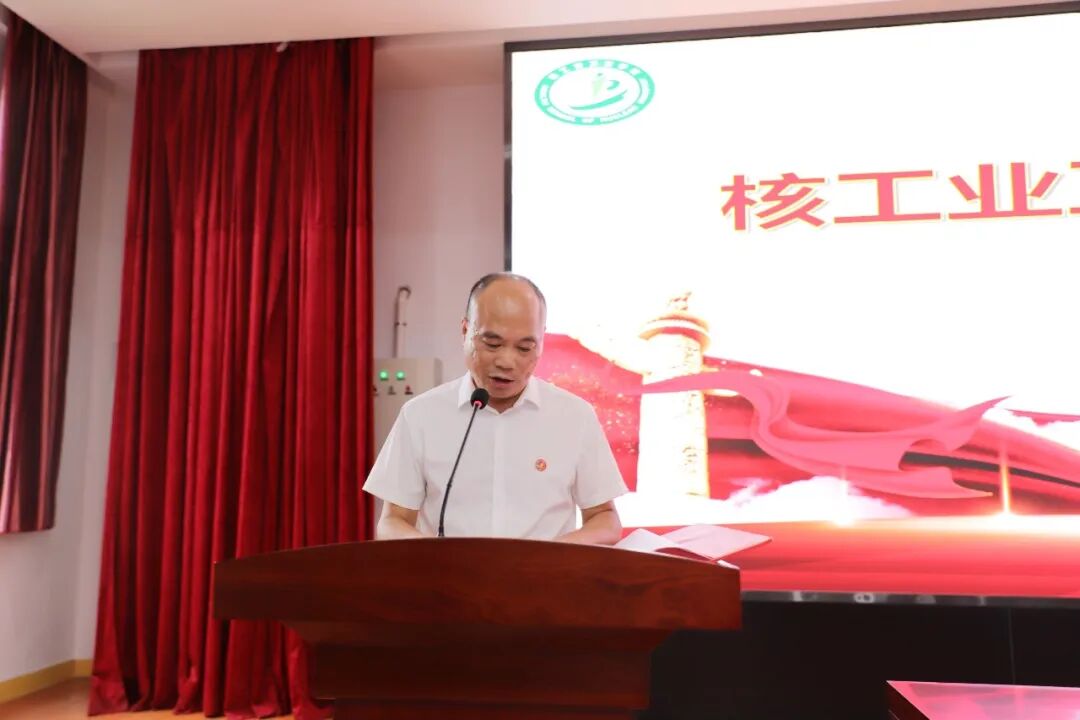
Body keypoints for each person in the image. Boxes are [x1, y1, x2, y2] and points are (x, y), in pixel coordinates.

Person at [363, 272, 627, 544]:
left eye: (524, 348)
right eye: (492, 344)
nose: (506, 361)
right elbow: (393, 521)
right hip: (448, 572)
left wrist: (552, 556)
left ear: (541, 342)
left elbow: (604, 518)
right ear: (465, 331)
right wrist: (437, 559)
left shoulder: (575, 417)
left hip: (545, 571)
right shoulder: (420, 415)